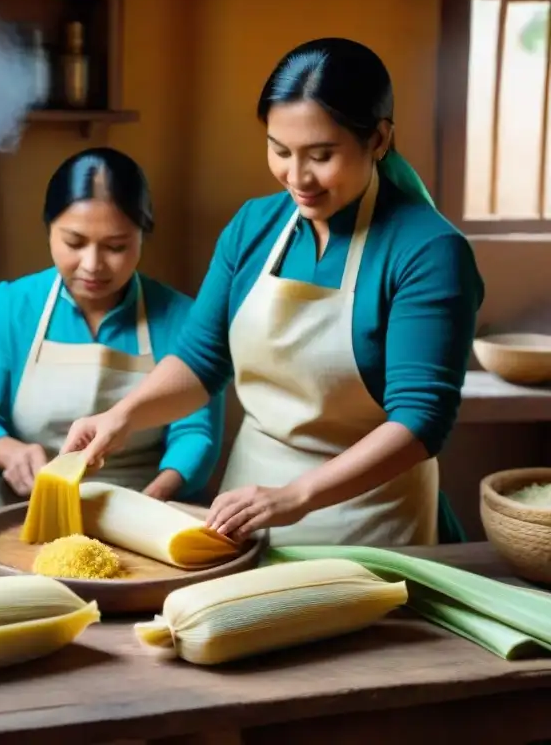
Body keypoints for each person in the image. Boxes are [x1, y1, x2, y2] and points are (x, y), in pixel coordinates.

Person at [62, 38, 485, 547]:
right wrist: (121, 417)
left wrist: (296, 496)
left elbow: (420, 421)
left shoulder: (428, 251)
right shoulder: (254, 227)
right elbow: (201, 360)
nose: (297, 177)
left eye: (321, 155)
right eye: (280, 150)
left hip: (374, 529)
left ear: (378, 139)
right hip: (245, 517)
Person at [0, 147, 225, 509]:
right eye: (74, 243)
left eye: (116, 246)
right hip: (31, 506)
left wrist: (156, 497)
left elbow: (195, 432)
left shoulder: (182, 317)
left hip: (145, 506)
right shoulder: (9, 307)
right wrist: (10, 453)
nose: (93, 265)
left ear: (143, 235)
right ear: (49, 229)